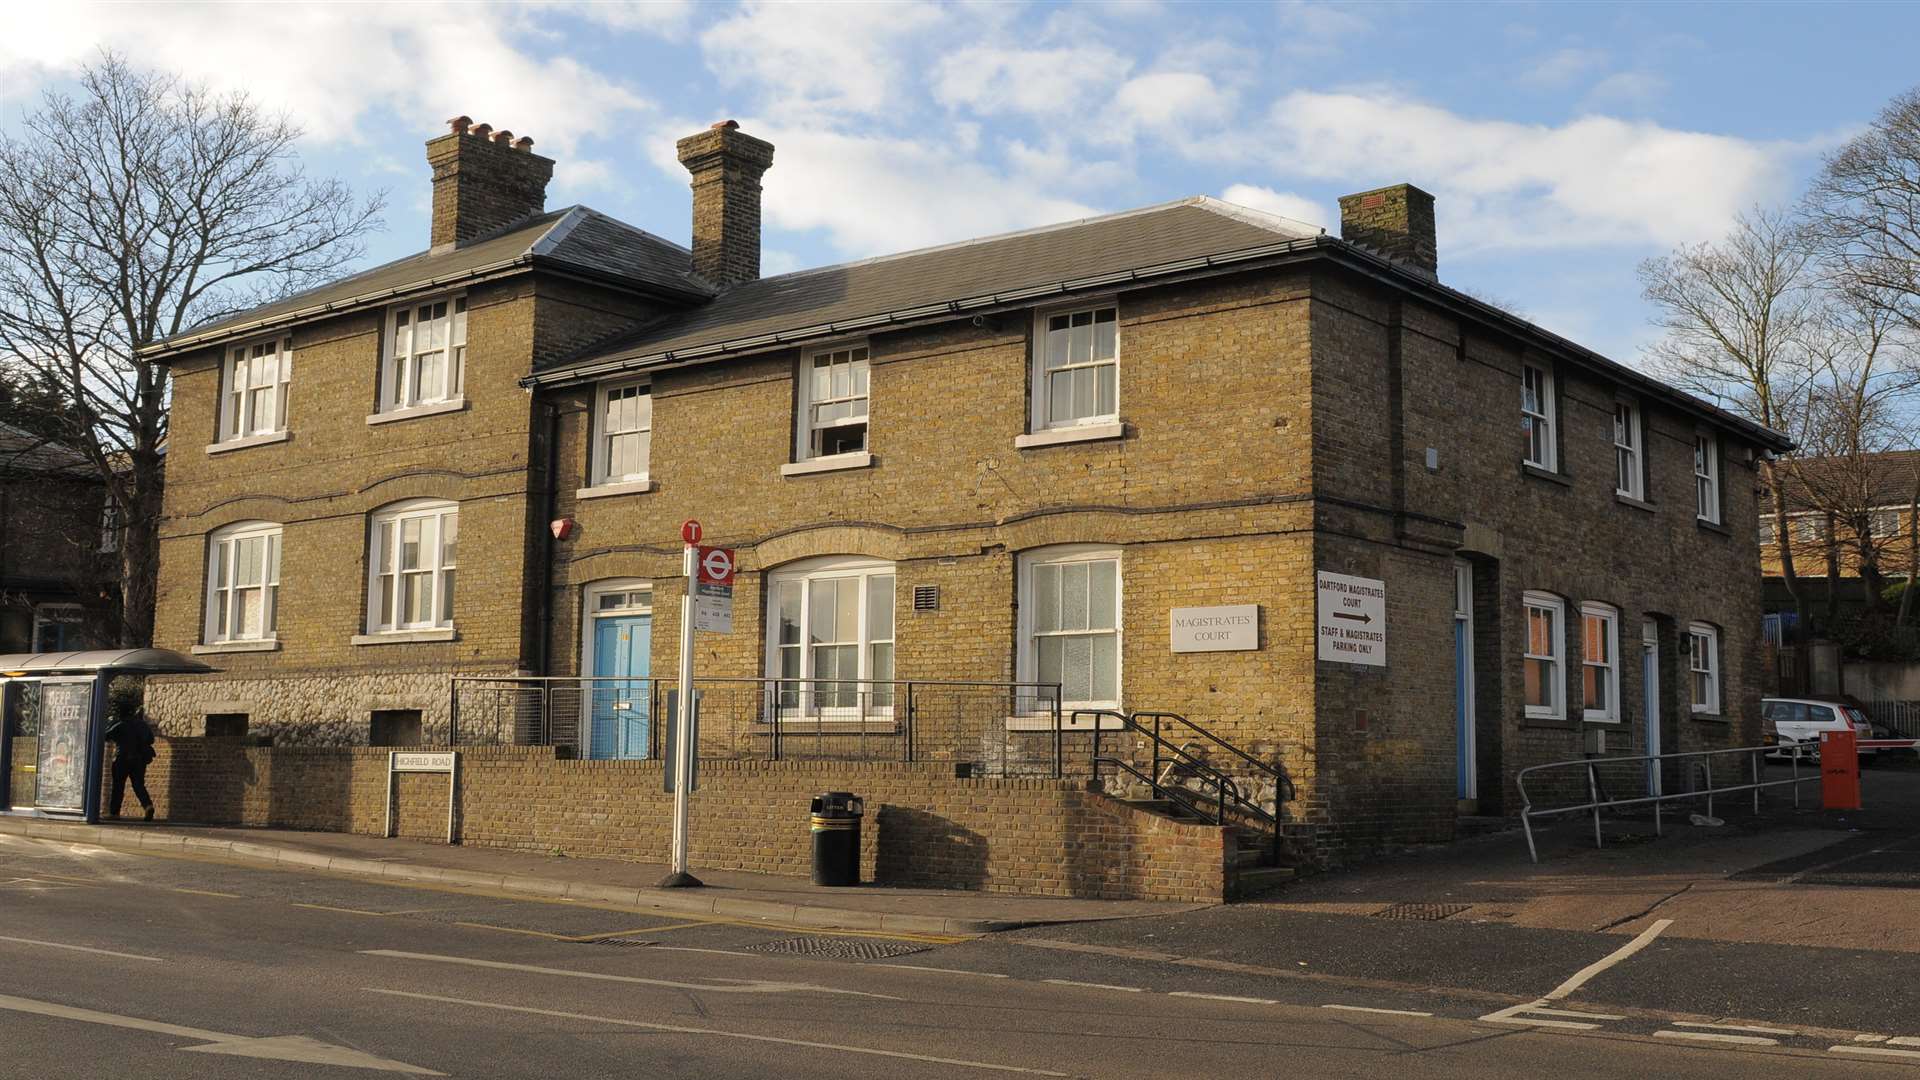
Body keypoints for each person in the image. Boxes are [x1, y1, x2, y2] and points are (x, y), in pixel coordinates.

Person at [104, 708, 156, 821]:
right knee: (138, 785)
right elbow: (151, 739)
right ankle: (148, 806)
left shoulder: (119, 724)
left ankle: (114, 813)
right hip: (139, 760)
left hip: (122, 758)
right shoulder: (142, 725)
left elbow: (106, 736)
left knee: (118, 786)